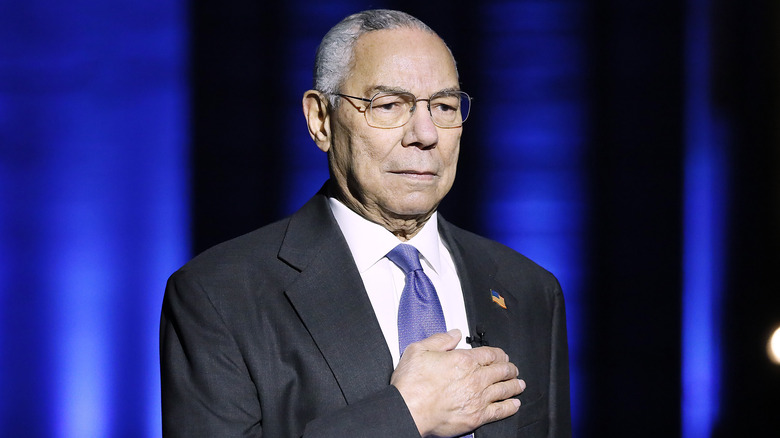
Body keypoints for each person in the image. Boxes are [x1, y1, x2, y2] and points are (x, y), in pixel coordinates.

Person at [160, 9, 571, 438]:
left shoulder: (530, 290)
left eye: (445, 106)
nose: (426, 134)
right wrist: (403, 415)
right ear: (321, 119)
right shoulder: (218, 296)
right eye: (390, 105)